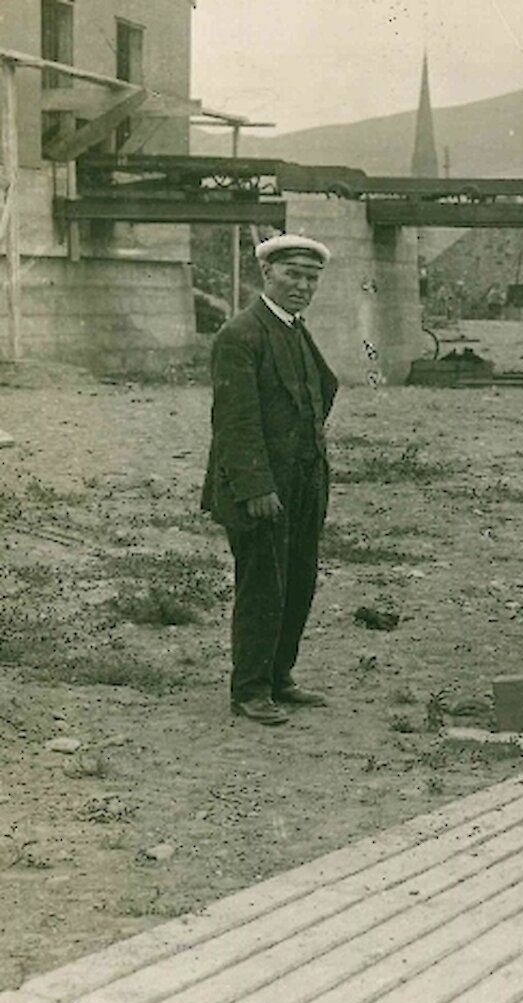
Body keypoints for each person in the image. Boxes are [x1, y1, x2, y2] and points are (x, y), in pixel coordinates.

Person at [201, 233, 339, 725]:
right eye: (292, 275)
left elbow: (318, 392)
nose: (302, 286)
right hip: (259, 490)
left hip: (302, 483)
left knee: (297, 579)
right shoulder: (241, 334)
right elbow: (235, 422)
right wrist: (256, 487)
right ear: (268, 275)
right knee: (262, 582)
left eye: (311, 278)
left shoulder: (296, 330)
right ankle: (251, 689)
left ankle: (280, 677)